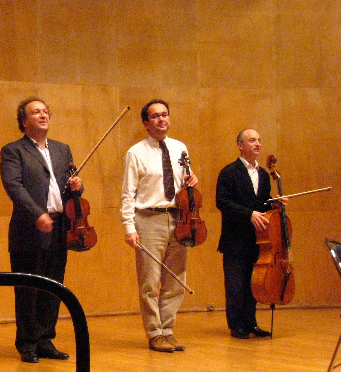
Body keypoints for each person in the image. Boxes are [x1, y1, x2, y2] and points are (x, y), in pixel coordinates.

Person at [0, 97, 83, 363]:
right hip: (29, 229)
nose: (43, 115)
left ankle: (46, 339)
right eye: (36, 112)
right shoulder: (13, 151)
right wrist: (37, 214)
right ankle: (27, 343)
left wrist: (77, 187)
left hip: (60, 227)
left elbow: (70, 186)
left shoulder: (62, 149)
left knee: (54, 287)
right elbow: (14, 186)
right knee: (28, 288)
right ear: (24, 121)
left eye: (46, 111)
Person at [120, 99, 198, 353]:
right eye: (155, 116)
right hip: (148, 219)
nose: (161, 120)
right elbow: (128, 194)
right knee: (150, 282)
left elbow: (185, 185)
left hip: (179, 220)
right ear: (146, 123)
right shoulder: (136, 152)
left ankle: (168, 330)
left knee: (176, 280)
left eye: (165, 115)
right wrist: (129, 227)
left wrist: (191, 181)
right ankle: (154, 333)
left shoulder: (179, 148)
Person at [216, 129, 286, 339]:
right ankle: (236, 324)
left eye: (259, 140)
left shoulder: (264, 174)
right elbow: (223, 202)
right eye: (252, 140)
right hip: (235, 238)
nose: (257, 144)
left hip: (258, 238)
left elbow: (262, 200)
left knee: (253, 283)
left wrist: (274, 202)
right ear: (240, 145)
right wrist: (249, 214)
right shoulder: (228, 172)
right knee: (236, 284)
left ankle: (251, 322)